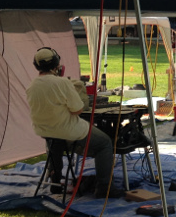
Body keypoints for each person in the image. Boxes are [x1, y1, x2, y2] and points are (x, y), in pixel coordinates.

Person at [25, 47, 122, 199]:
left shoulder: (31, 86)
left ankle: (55, 179)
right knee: (105, 143)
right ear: (56, 64)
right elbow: (78, 110)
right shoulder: (62, 83)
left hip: (45, 131)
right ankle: (104, 187)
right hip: (67, 131)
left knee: (54, 140)